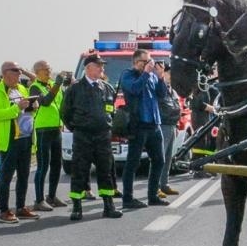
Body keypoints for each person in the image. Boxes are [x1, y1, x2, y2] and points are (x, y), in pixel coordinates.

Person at [60, 54, 122, 221]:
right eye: (98, 65)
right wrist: (77, 127)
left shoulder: (107, 88)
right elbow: (65, 113)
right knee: (79, 171)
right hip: (83, 135)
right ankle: (77, 207)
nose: (102, 68)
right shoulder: (75, 89)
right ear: (88, 68)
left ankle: (109, 206)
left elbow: (111, 111)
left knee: (106, 171)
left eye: (102, 65)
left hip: (103, 135)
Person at [119, 50, 172, 208]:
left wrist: (161, 76)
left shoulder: (152, 75)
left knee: (159, 160)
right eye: (146, 61)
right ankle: (128, 198)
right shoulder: (128, 74)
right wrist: (147, 73)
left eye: (151, 61)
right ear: (137, 62)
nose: (150, 63)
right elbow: (134, 89)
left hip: (154, 124)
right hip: (138, 124)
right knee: (133, 163)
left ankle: (152, 195)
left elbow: (162, 95)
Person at [0, 61, 41, 222]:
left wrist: (33, 106)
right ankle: (4, 210)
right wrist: (16, 108)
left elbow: (27, 111)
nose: (20, 74)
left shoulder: (21, 88)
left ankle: (20, 207)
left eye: (20, 71)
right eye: (16, 71)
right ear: (5, 73)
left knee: (24, 175)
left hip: (25, 137)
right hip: (10, 140)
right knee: (6, 177)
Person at [30, 60, 72, 209]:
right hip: (43, 130)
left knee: (56, 164)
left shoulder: (52, 84)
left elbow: (62, 102)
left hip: (56, 128)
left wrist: (69, 84)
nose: (48, 72)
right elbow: (46, 101)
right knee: (43, 165)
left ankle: (52, 196)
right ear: (37, 72)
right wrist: (57, 85)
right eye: (45, 70)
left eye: (49, 69)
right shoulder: (35, 87)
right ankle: (39, 199)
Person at [147, 60, 181, 200]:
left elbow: (175, 106)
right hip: (163, 125)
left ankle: (164, 184)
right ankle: (155, 187)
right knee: (159, 158)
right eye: (169, 72)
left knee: (168, 158)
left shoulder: (171, 89)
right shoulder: (158, 86)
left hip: (171, 125)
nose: (172, 75)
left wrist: (177, 124)